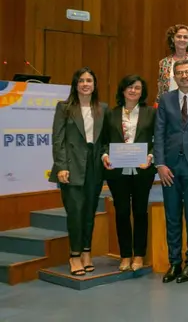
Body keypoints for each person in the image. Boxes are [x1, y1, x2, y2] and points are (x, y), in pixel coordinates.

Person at [51, 67, 109, 276]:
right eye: (81, 81)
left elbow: (105, 140)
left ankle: (86, 252)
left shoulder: (103, 108)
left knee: (89, 212)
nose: (85, 84)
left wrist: (105, 155)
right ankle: (74, 256)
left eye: (89, 81)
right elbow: (58, 139)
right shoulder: (64, 107)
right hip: (71, 165)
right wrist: (61, 166)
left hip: (94, 166)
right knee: (75, 212)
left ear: (94, 85)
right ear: (75, 85)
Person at [154, 59, 188, 284]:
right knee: (172, 216)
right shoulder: (165, 99)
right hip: (170, 167)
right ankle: (174, 262)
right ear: (174, 77)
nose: (184, 76)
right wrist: (160, 164)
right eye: (179, 73)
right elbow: (159, 133)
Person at [101, 75, 156, 272]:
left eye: (137, 88)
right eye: (129, 87)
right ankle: (125, 255)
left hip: (143, 170)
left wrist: (151, 156)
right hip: (117, 171)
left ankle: (139, 255)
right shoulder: (111, 114)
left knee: (140, 212)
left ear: (142, 92)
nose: (133, 91)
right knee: (122, 212)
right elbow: (104, 141)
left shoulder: (151, 113)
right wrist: (105, 155)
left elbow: (158, 139)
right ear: (123, 90)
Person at [157, 24, 188, 105]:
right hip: (169, 105)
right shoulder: (164, 63)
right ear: (173, 39)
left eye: (185, 37)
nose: (182, 39)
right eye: (179, 36)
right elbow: (161, 89)